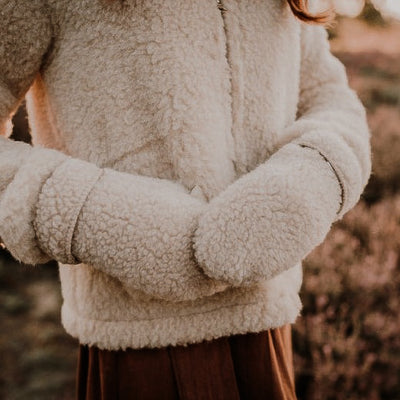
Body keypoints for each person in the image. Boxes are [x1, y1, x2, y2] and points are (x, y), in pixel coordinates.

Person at [0, 0, 371, 398]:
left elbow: (330, 97)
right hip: (136, 352)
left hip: (267, 336)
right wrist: (103, 218)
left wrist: (305, 183)